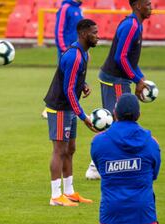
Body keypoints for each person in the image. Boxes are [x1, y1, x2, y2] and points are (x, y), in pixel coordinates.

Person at [85, 0, 152, 180]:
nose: (151, 6)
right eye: (147, 3)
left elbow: (130, 60)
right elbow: (120, 57)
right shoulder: (131, 26)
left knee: (115, 120)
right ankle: (96, 166)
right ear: (138, 6)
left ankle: (100, 164)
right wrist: (136, 79)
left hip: (117, 78)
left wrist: (140, 77)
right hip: (114, 79)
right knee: (117, 120)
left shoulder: (135, 24)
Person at [43, 19, 99, 206]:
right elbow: (67, 89)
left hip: (68, 107)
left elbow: (71, 79)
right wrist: (83, 116)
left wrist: (83, 85)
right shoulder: (74, 56)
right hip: (60, 107)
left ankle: (69, 191)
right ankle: (55, 196)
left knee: (70, 149)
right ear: (83, 34)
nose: (97, 36)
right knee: (59, 150)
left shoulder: (83, 53)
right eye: (94, 33)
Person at [91, 93, 160, 224]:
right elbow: (153, 174)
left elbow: (102, 170)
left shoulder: (98, 142)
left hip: (112, 213)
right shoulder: (152, 143)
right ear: (139, 115)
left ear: (114, 114)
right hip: (143, 213)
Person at [42, 0, 83, 119]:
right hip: (67, 52)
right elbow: (59, 30)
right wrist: (63, 49)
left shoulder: (78, 9)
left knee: (73, 80)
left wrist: (84, 51)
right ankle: (49, 108)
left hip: (77, 52)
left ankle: (70, 109)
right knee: (63, 80)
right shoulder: (65, 8)